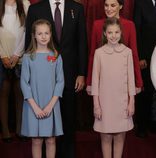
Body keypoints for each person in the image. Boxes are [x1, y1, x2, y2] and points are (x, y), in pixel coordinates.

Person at [25, 0, 88, 158]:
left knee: (68, 116)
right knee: (43, 126)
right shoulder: (35, 9)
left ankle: (68, 153)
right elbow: (28, 41)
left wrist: (81, 72)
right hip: (40, 78)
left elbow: (82, 42)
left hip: (70, 74)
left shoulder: (77, 8)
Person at [91, 17, 135, 158]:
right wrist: (96, 105)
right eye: (110, 33)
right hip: (104, 103)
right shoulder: (99, 53)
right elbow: (95, 82)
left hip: (122, 102)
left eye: (116, 32)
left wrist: (131, 102)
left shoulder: (127, 52)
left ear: (121, 33)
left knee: (120, 136)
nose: (113, 36)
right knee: (106, 137)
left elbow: (131, 80)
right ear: (105, 34)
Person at [21, 19, 64, 158]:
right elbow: (24, 83)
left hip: (51, 104)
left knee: (51, 139)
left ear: (51, 34)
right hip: (34, 105)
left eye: (46, 33)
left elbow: (60, 82)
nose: (43, 36)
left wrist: (51, 105)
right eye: (40, 33)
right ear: (34, 35)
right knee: (36, 140)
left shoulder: (56, 56)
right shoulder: (28, 57)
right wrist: (35, 107)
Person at [86, 0, 143, 95]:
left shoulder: (129, 25)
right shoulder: (97, 25)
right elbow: (92, 55)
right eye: (106, 5)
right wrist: (90, 82)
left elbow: (134, 55)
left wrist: (138, 82)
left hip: (123, 79)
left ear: (120, 6)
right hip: (103, 80)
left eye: (113, 5)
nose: (108, 9)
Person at [0, 0, 30, 142]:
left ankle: (20, 129)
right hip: (2, 57)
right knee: (3, 93)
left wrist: (17, 54)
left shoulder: (25, 4)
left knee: (20, 94)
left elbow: (27, 31)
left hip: (20, 57)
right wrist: (2, 55)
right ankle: (5, 131)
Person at [133, 0, 156, 137]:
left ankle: (155, 123)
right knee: (146, 91)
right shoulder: (141, 2)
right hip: (146, 57)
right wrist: (140, 56)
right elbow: (137, 29)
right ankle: (142, 125)